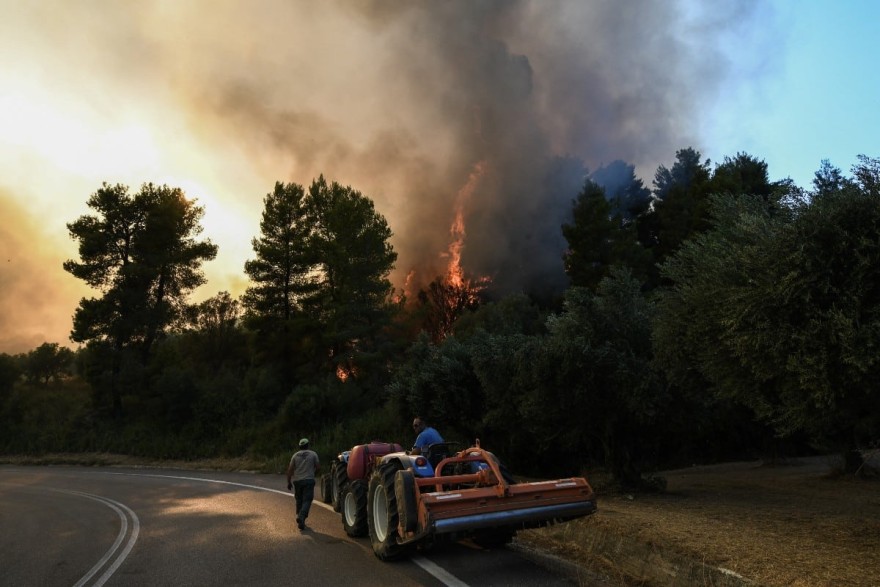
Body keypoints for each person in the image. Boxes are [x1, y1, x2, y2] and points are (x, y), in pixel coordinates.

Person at [286, 437, 320, 530]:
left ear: (299, 446)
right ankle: (301, 516)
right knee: (307, 500)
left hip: (297, 481)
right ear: (308, 445)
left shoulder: (295, 455)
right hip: (308, 480)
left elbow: (290, 470)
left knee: (299, 500)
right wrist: (313, 474)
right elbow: (318, 467)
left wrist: (289, 482)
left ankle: (299, 517)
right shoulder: (313, 454)